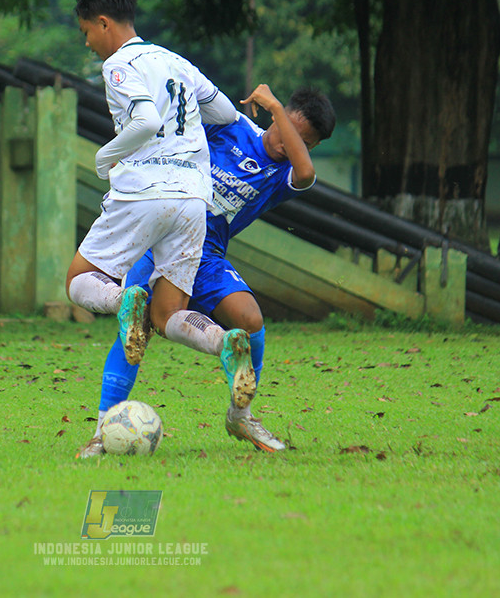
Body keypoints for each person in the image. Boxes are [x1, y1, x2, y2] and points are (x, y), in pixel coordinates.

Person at [77, 84, 336, 457]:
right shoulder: (230, 126)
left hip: (206, 253)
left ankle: (240, 416)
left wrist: (278, 110)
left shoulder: (284, 173)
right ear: (275, 120)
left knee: (250, 320)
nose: (290, 145)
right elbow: (171, 134)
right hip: (161, 236)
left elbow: (307, 173)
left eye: (304, 142)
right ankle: (103, 432)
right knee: (136, 327)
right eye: (290, 133)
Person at [65, 0, 257, 411]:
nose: (87, 42)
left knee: (79, 280)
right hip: (193, 198)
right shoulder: (175, 62)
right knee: (167, 313)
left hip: (143, 193)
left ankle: (123, 298)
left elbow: (146, 119)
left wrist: (106, 155)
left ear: (103, 23)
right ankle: (225, 343)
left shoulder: (117, 67)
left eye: (85, 32)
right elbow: (226, 113)